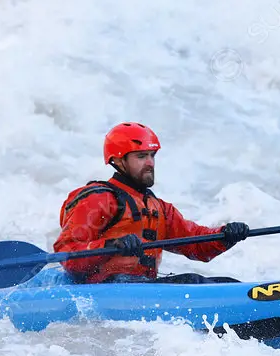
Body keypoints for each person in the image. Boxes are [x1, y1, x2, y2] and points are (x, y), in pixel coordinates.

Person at [53, 122, 250, 284]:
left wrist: (226, 235)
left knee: (226, 282)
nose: (150, 163)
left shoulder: (159, 208)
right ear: (119, 161)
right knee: (193, 281)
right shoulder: (98, 200)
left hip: (142, 288)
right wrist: (111, 244)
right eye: (141, 156)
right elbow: (67, 252)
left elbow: (194, 242)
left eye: (152, 155)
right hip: (104, 290)